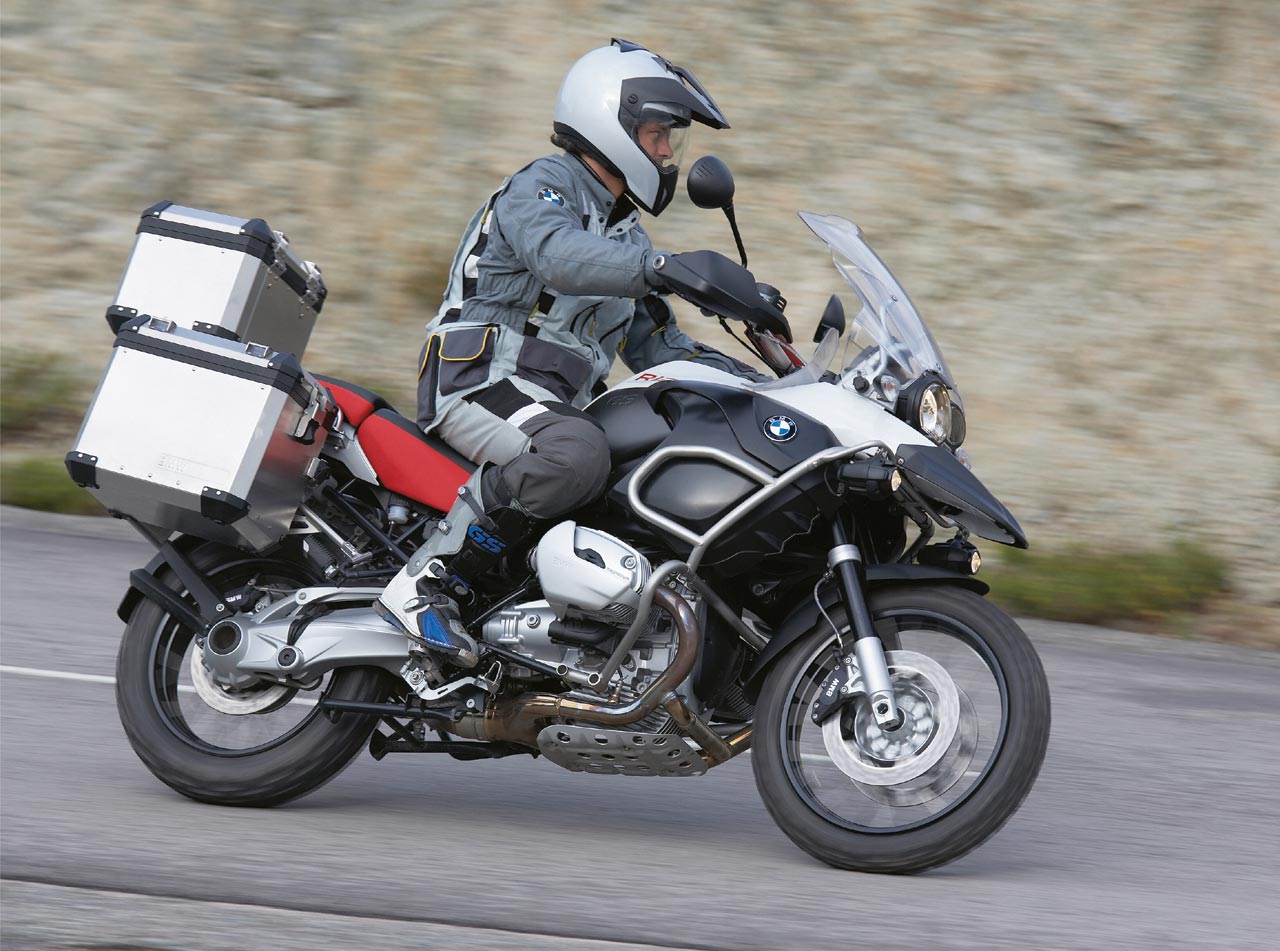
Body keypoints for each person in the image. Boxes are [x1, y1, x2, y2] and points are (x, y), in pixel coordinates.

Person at [375, 39, 763, 668]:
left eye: (670, 140)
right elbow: (557, 255)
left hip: (551, 404)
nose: (668, 153)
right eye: (657, 135)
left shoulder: (627, 237)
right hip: (479, 378)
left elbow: (661, 347)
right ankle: (425, 584)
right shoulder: (543, 186)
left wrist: (763, 386)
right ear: (610, 124)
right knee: (577, 454)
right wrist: (663, 267)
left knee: (637, 476)